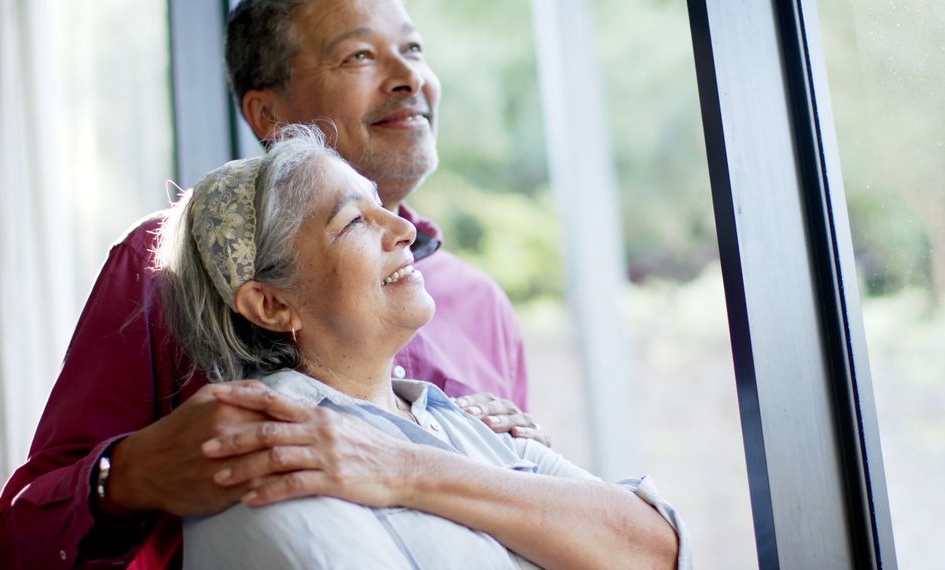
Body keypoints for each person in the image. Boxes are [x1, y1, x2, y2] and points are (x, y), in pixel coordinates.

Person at [0, 0, 546, 567]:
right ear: (269, 116)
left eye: (414, 50)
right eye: (359, 55)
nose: (410, 79)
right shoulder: (164, 268)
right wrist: (132, 473)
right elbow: (17, 543)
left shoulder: (483, 308)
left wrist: (521, 472)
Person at [163, 124, 690, 570]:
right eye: (353, 222)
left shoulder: (460, 420)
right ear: (273, 305)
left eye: (382, 206)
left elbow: (658, 549)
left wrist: (408, 470)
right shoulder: (273, 449)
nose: (404, 229)